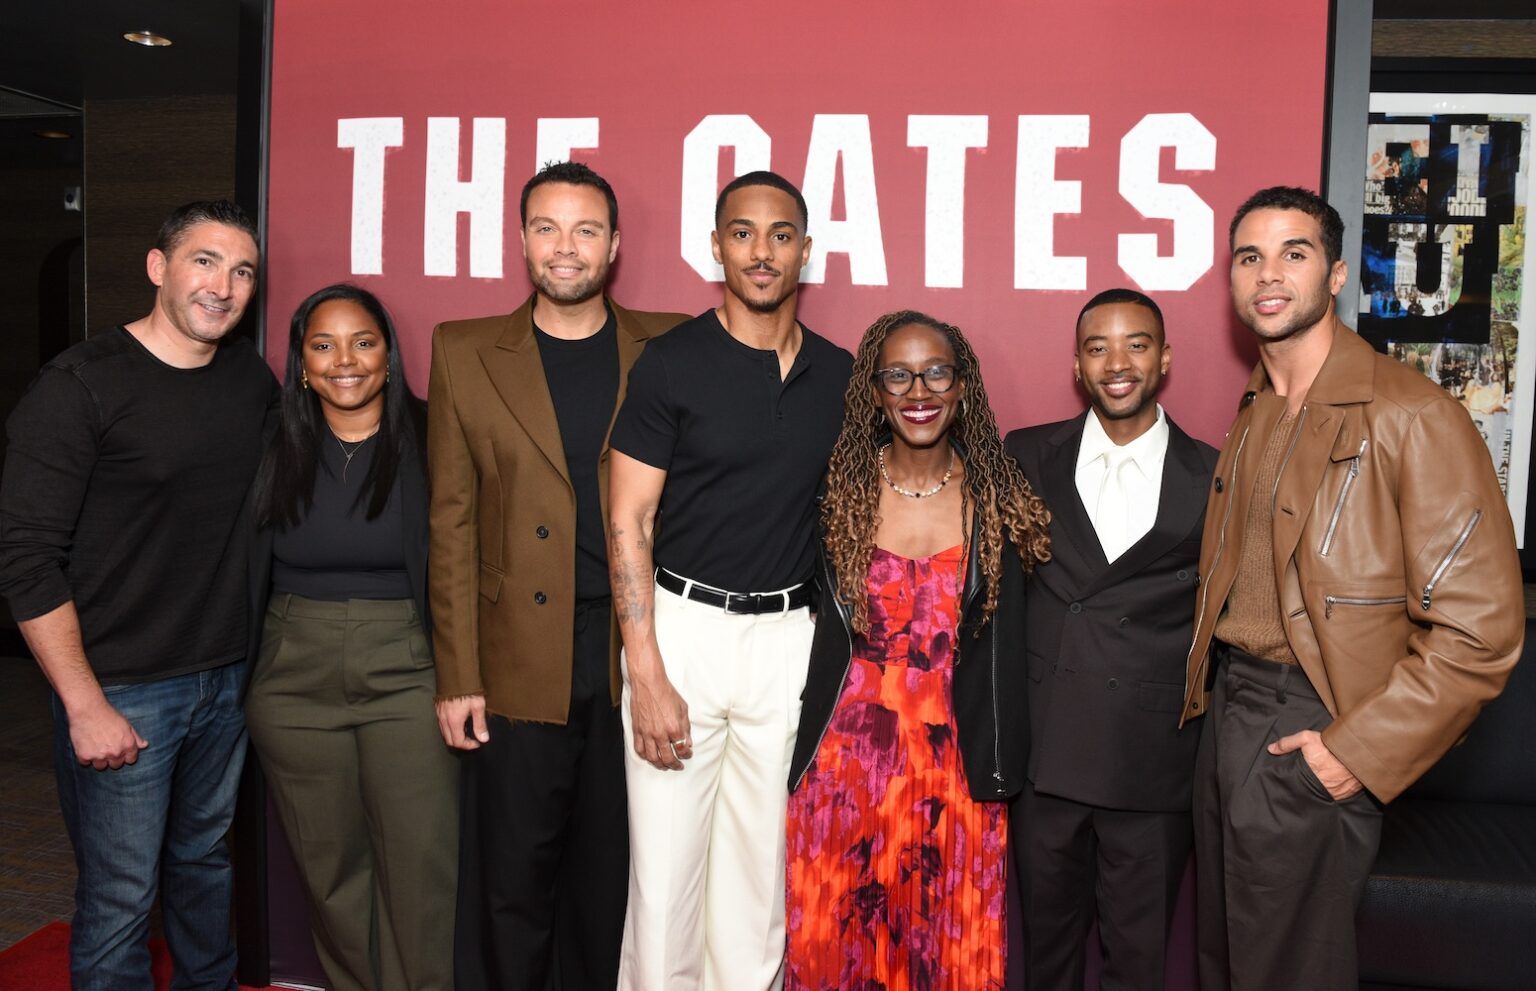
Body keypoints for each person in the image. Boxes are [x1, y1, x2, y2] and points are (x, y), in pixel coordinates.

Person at [1182, 186, 1524, 990]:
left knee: (1287, 973)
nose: (1270, 274)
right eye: (1249, 256)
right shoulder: (1258, 408)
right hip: (1228, 716)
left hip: (1313, 719)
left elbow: (1482, 633)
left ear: (1336, 273)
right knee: (1226, 962)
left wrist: (1352, 751)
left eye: (1293, 254)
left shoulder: (1411, 413)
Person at [0, 200, 274, 991]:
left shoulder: (247, 380)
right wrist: (83, 702)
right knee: (121, 897)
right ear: (159, 268)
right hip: (121, 689)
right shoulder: (78, 386)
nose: (223, 285)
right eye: (204, 261)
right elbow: (25, 559)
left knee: (204, 868)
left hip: (224, 680)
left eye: (242, 271)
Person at [428, 160, 687, 990]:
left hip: (638, 651)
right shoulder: (463, 349)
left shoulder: (673, 342)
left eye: (584, 230)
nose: (564, 247)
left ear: (614, 245)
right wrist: (458, 673)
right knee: (513, 883)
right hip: (514, 656)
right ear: (522, 240)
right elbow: (452, 522)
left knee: (614, 878)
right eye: (546, 228)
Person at [607, 170, 852, 990]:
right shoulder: (670, 364)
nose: (761, 250)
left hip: (789, 639)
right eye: (742, 233)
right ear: (716, 248)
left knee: (760, 882)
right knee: (668, 879)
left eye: (780, 234)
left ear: (805, 252)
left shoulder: (841, 376)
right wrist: (643, 666)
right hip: (683, 632)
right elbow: (627, 521)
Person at [787, 311, 1049, 990]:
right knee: (834, 954)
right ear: (875, 391)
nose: (917, 390)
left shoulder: (998, 498)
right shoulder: (836, 492)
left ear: (961, 387)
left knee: (949, 961)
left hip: (958, 773)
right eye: (897, 375)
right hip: (841, 774)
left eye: (936, 371)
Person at [244, 283, 456, 991]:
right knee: (328, 867)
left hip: (409, 664)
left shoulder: (435, 435)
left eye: (363, 342)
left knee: (421, 863)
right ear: (301, 361)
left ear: (390, 357)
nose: (345, 360)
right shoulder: (268, 442)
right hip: (291, 670)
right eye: (323, 344)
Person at [1005, 288, 1216, 990]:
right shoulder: (1027, 455)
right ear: (1076, 364)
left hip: (1154, 760)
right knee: (1047, 956)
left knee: (1138, 962)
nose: (1117, 362)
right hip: (1048, 753)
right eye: (1098, 347)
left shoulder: (1215, 474)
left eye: (1136, 344)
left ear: (1165, 359)